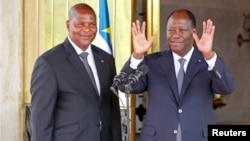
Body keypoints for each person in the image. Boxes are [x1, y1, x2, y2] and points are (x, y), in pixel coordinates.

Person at [118, 9, 235, 141]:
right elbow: (124, 85)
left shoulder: (208, 62)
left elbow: (227, 88)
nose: (175, 35)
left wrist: (208, 55)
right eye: (171, 30)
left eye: (182, 30)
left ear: (194, 32)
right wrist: (137, 55)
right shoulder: (152, 62)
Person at [30, 3, 122, 141]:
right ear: (68, 25)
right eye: (80, 24)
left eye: (92, 24)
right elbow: (41, 120)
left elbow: (112, 109)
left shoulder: (106, 59)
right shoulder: (49, 62)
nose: (87, 29)